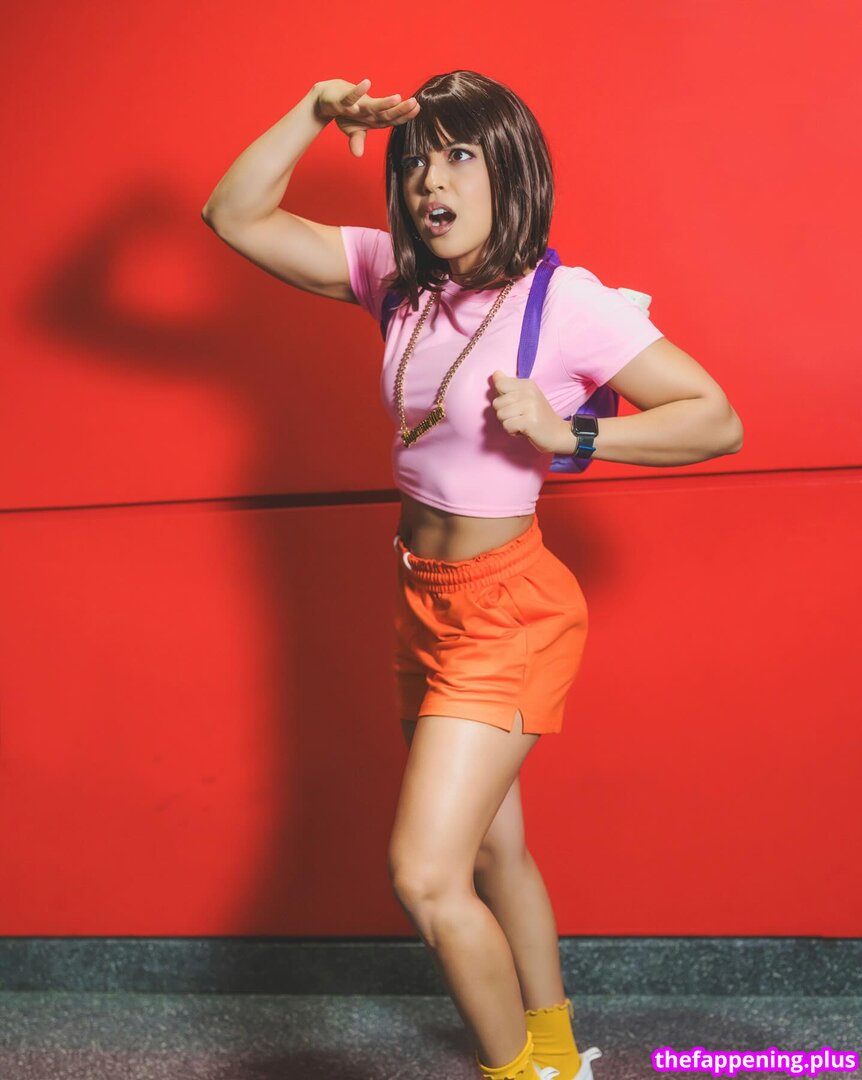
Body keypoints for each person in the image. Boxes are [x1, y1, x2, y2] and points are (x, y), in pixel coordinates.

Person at [202, 70, 744, 1080]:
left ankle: (521, 1075)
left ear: (511, 171)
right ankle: (556, 1052)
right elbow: (232, 215)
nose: (430, 181)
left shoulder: (564, 304)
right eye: (417, 160)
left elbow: (717, 418)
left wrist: (573, 434)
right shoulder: (395, 278)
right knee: (494, 852)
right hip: (422, 598)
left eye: (459, 156)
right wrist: (314, 114)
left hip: (510, 610)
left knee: (425, 875)